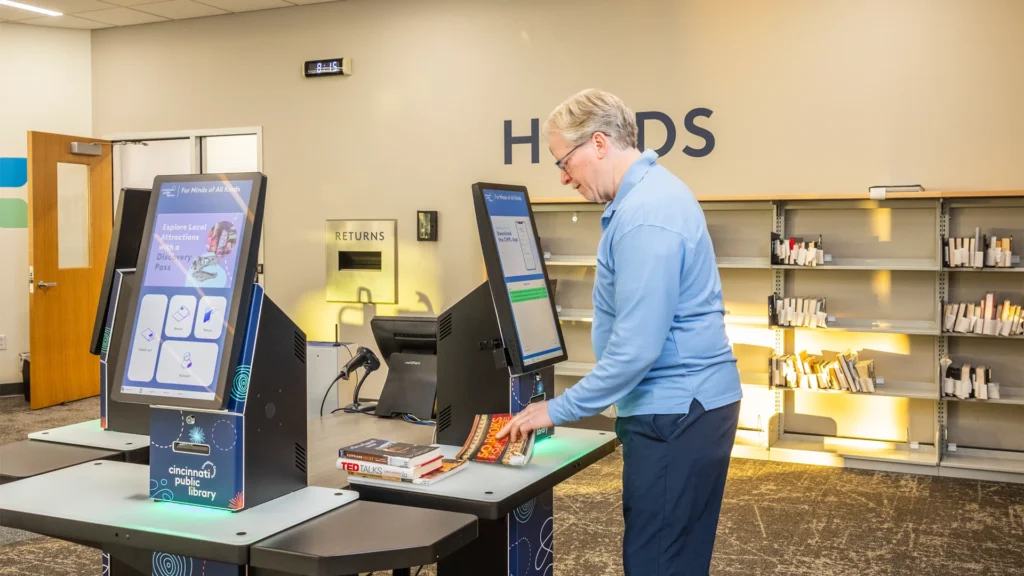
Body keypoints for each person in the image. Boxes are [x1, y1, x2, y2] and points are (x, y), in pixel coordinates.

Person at [497, 89, 742, 575]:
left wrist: (557, 409)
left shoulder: (645, 214)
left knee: (656, 562)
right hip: (684, 408)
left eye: (564, 161)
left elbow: (636, 350)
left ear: (600, 143)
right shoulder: (651, 196)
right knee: (676, 557)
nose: (564, 177)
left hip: (676, 413)